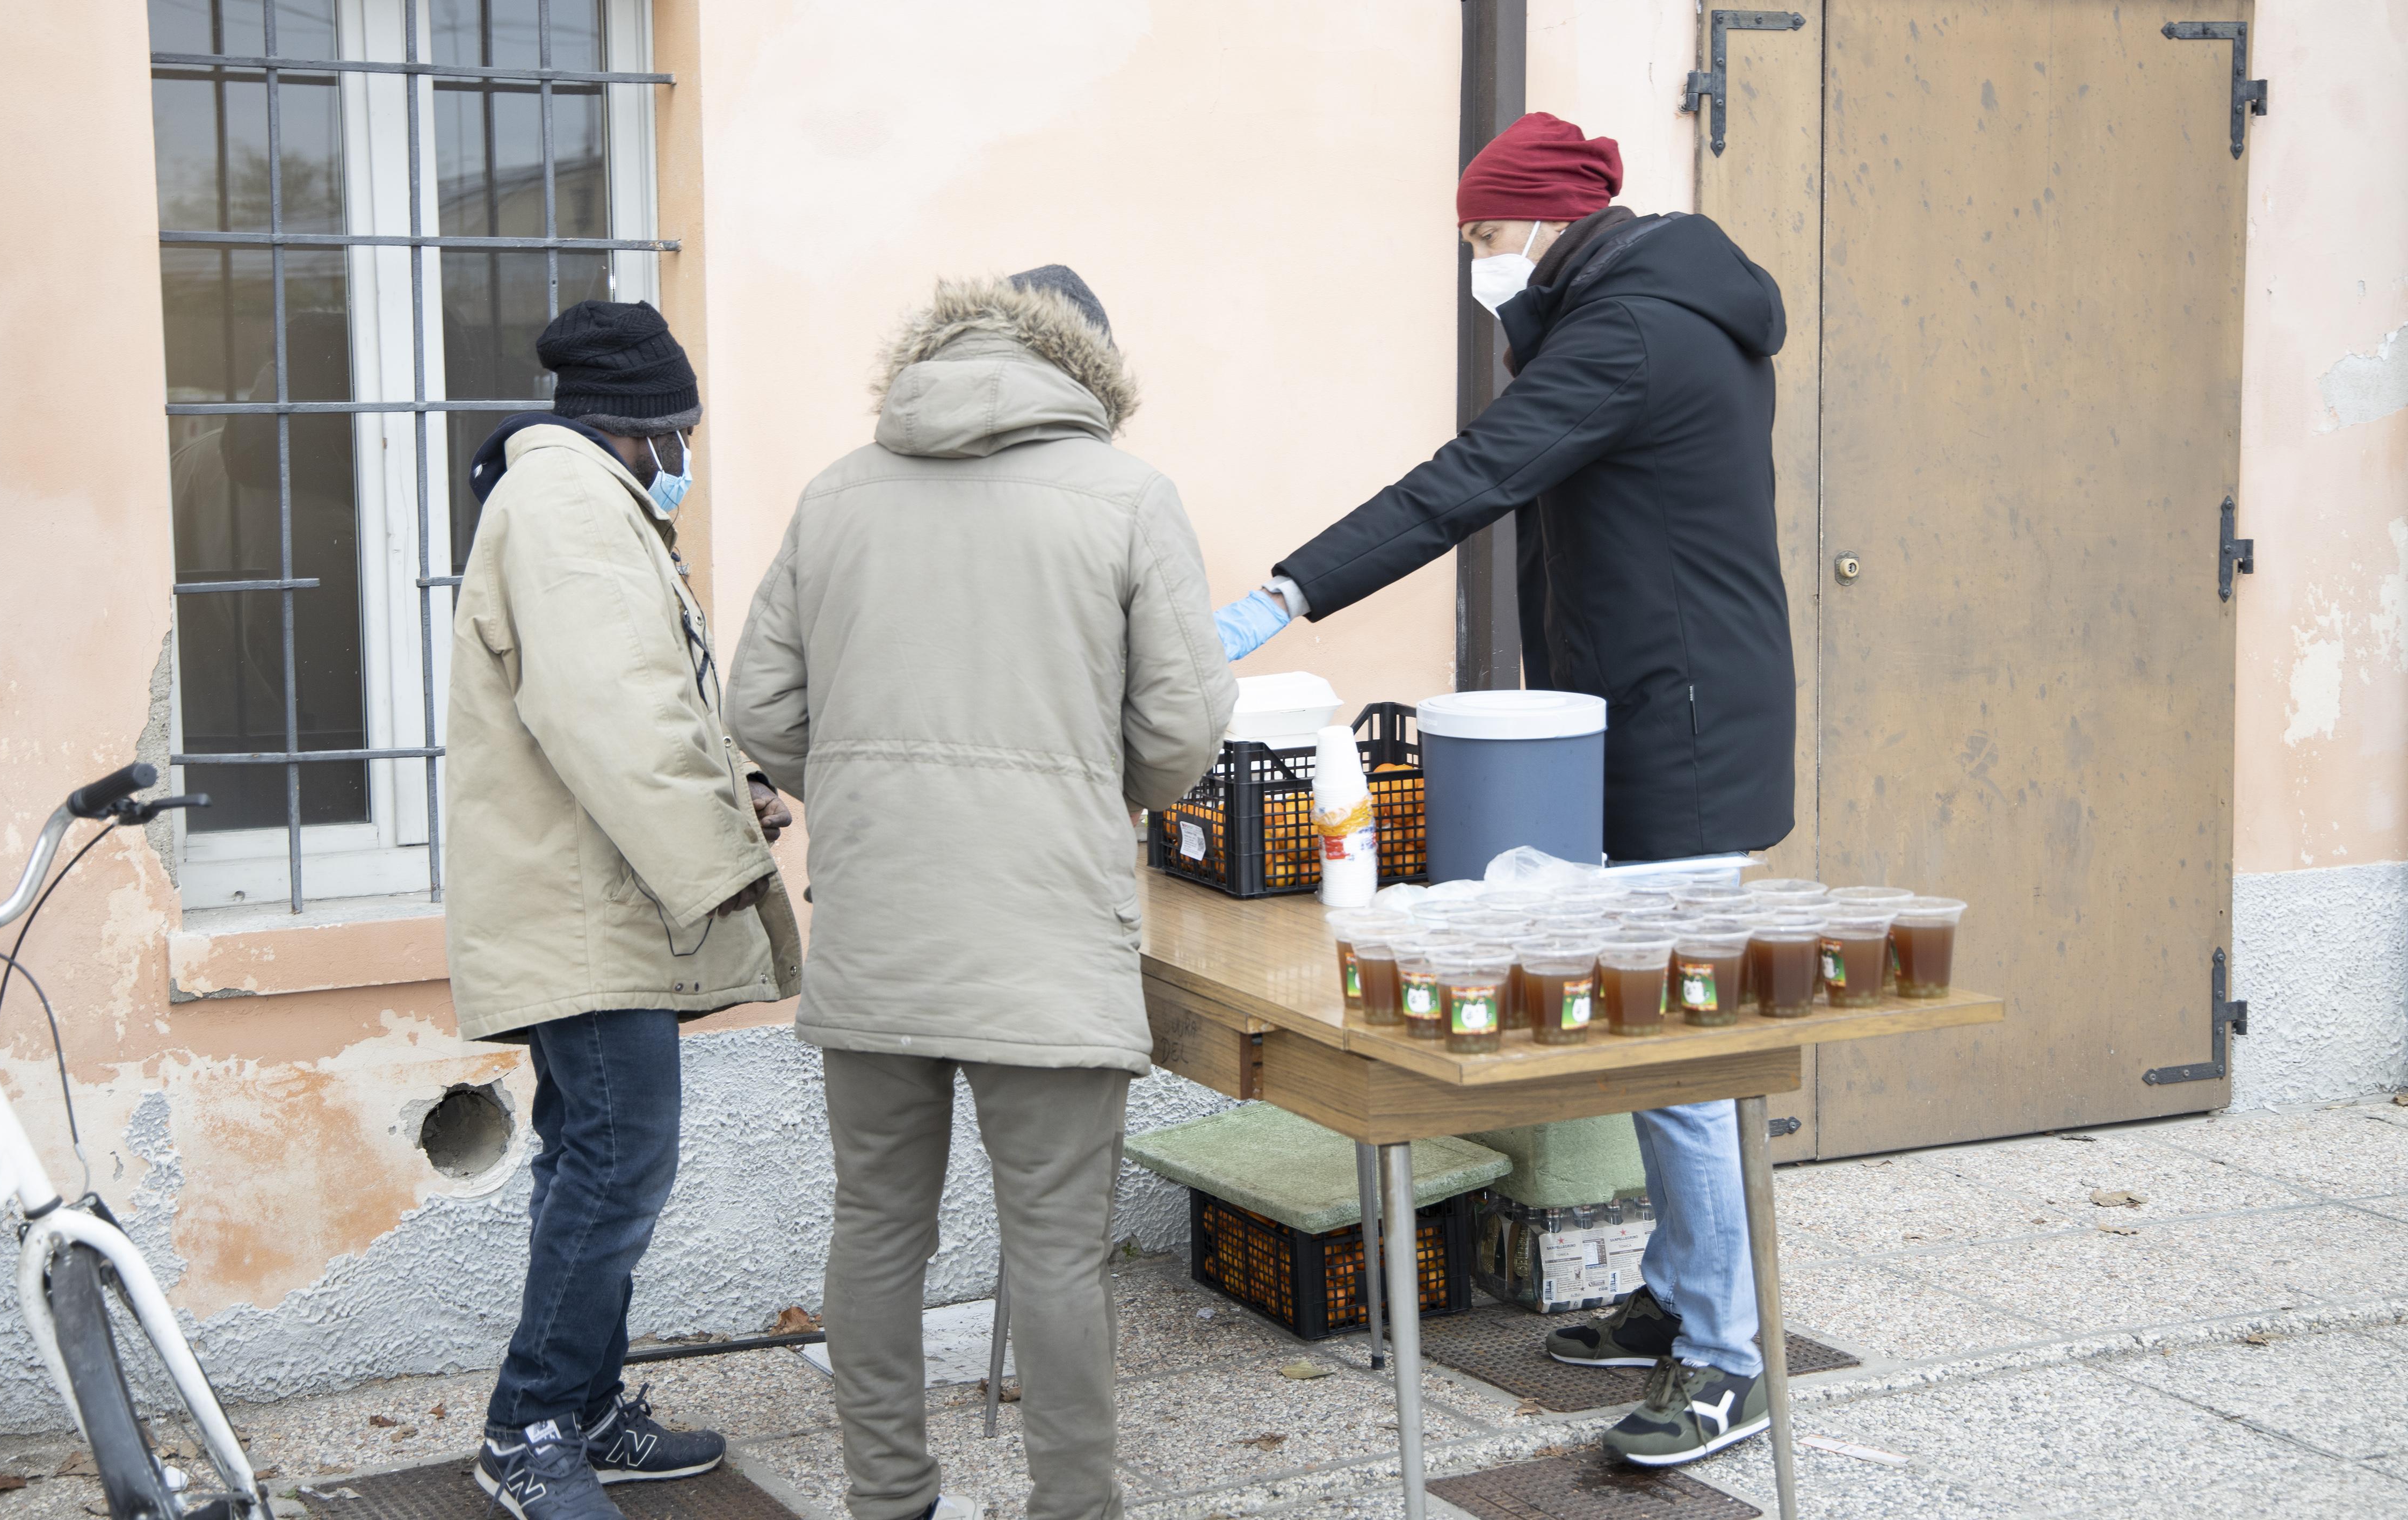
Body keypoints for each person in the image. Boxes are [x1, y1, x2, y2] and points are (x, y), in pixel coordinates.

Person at [1216, 113, 1793, 1468]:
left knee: (1675, 1053)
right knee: (1649, 1039)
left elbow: (1464, 482)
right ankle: (1680, 1292)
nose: (1482, 265)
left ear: (1544, 223)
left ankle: (1729, 1360)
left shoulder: (1629, 333)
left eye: (1486, 237)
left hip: (1681, 734)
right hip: (1654, 713)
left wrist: (1285, 593)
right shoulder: (1661, 303)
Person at [727, 267, 1235, 1520]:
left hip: (879, 920)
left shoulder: (838, 493)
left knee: (877, 1225)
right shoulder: (1127, 496)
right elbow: (1179, 738)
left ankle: (888, 1499)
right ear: (1091, 371)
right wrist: (1074, 774)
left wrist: (865, 780)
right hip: (1047, 925)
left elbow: (760, 710)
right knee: (1057, 1249)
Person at [446, 299, 804, 1520]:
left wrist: (737, 784)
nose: (688, 457)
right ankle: (527, 1423)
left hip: (596, 893)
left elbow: (656, 699)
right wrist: (721, 864)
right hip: (588, 907)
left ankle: (587, 1407)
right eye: (684, 433)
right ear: (641, 428)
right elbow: (617, 722)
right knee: (619, 1161)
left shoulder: (582, 505)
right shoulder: (568, 511)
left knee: (589, 1157)